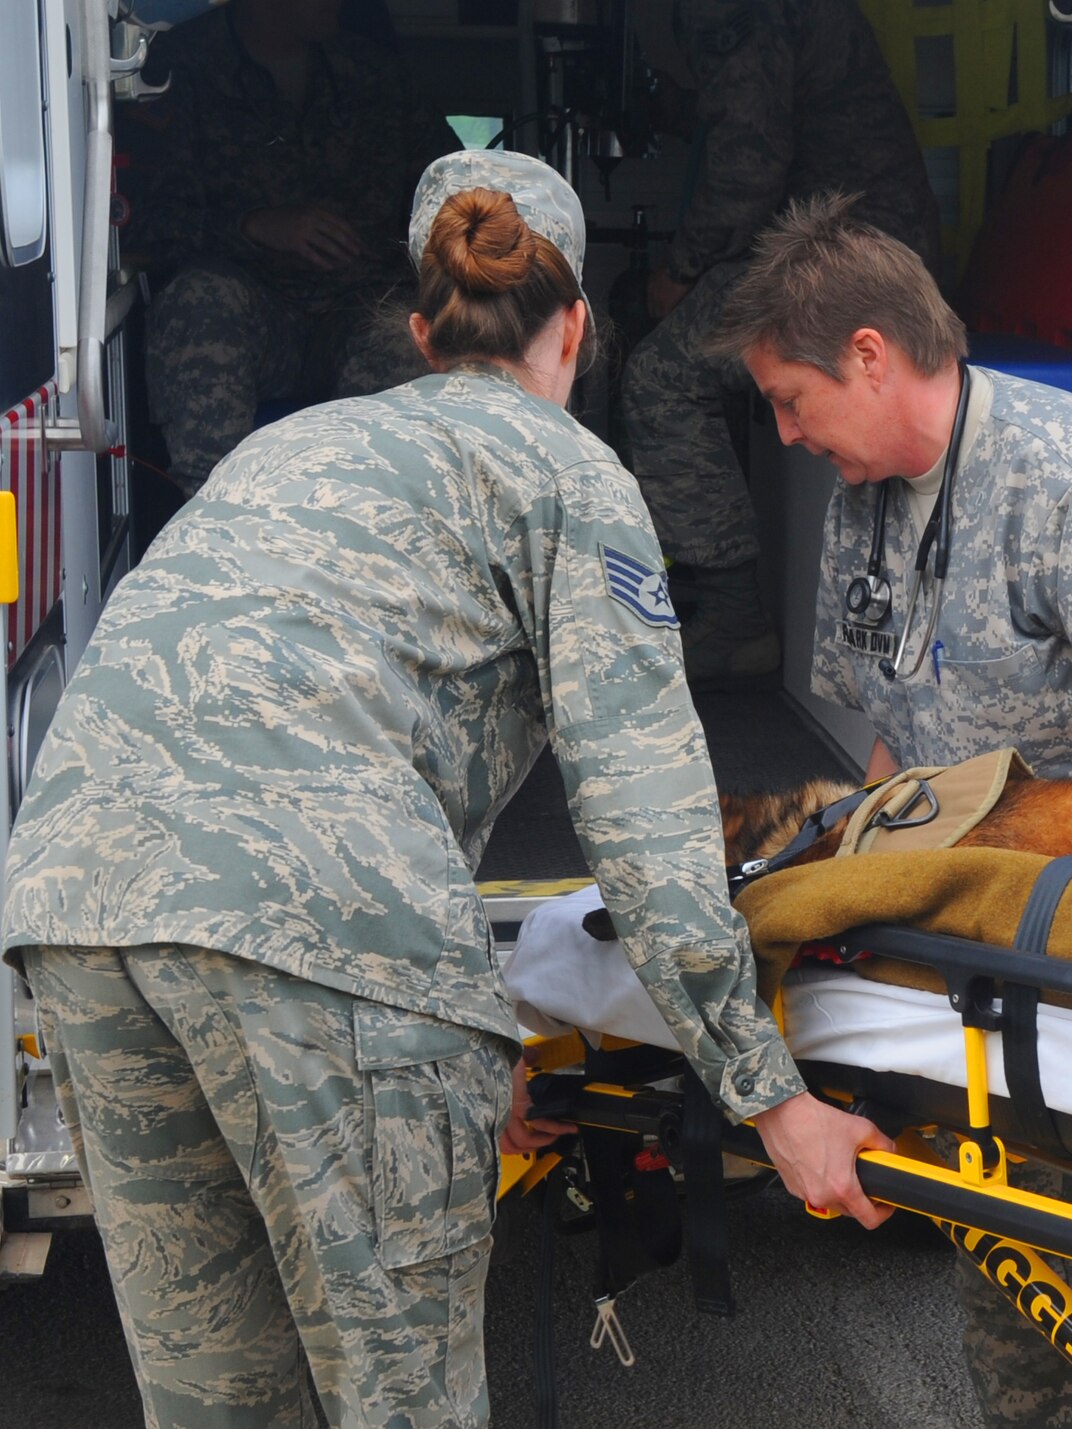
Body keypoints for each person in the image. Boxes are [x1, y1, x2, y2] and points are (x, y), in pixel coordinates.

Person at [2, 151, 890, 1429]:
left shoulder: (282, 449)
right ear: (579, 326)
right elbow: (646, 831)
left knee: (218, 1403)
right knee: (400, 1401)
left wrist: (446, 1027)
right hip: (311, 921)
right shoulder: (572, 480)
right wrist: (773, 1098)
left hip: (78, 901)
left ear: (420, 332)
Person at [705, 193, 1072, 1429]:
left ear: (867, 356)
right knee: (1033, 1308)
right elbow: (890, 743)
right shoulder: (865, 503)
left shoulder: (1071, 474)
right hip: (1009, 937)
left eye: (789, 398)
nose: (786, 430)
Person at [615, 0, 941, 684]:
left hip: (847, 262)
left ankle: (734, 614)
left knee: (659, 377)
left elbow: (748, 159)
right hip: (867, 245)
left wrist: (679, 268)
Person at [126, 0, 453, 495]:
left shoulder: (374, 73)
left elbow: (453, 187)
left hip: (357, 306)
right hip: (254, 313)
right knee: (200, 299)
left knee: (407, 333)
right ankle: (215, 525)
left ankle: (364, 532)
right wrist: (254, 226)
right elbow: (135, 220)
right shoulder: (181, 66)